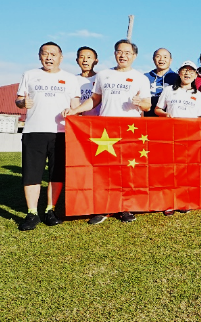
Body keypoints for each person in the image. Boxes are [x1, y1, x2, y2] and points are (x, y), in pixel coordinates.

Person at [63, 39, 153, 225]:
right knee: (105, 170)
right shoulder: (104, 75)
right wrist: (75, 110)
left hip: (130, 129)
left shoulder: (141, 78)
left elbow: (147, 104)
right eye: (120, 52)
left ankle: (125, 208)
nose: (123, 55)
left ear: (134, 56)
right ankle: (103, 208)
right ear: (114, 54)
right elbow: (95, 100)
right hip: (106, 131)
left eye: (127, 52)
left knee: (127, 170)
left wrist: (140, 103)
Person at [16, 42, 82, 231]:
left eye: (53, 54)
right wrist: (22, 103)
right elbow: (19, 99)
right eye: (45, 54)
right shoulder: (30, 75)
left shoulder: (70, 79)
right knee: (32, 173)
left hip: (60, 133)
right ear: (39, 56)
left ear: (61, 57)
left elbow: (75, 105)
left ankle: (50, 210)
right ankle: (31, 213)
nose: (49, 57)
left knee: (56, 173)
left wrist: (73, 110)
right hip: (33, 131)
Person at [154, 61, 201, 215]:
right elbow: (157, 109)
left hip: (189, 137)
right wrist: (165, 114)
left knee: (187, 169)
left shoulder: (198, 95)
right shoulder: (169, 90)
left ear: (196, 75)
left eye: (191, 71)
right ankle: (169, 202)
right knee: (170, 169)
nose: (187, 74)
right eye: (184, 70)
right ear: (179, 72)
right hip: (170, 135)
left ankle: (184, 201)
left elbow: (198, 117)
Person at [144, 48, 179, 117]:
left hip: (168, 117)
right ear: (153, 59)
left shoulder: (177, 78)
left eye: (165, 57)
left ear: (170, 60)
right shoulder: (145, 77)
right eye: (158, 56)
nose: (161, 59)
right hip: (147, 117)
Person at [75, 46, 100, 116]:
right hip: (78, 121)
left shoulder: (101, 78)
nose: (85, 60)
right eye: (82, 57)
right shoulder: (72, 79)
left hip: (97, 121)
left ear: (96, 61)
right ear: (77, 60)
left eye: (89, 57)